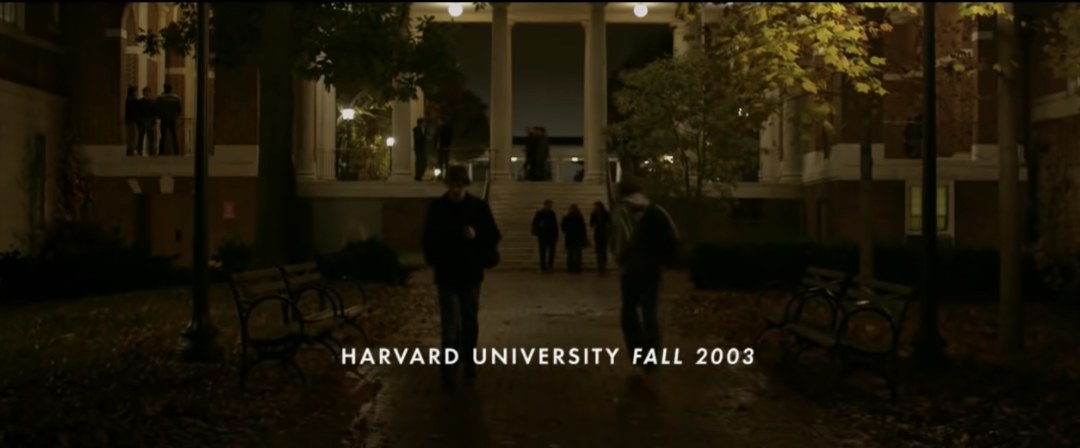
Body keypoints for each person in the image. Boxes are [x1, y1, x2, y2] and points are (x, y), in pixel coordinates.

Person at [421, 165, 502, 390]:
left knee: (469, 319)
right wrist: (435, 257)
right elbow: (428, 237)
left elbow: (493, 235)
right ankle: (449, 367)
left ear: (465, 185)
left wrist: (476, 236)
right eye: (452, 185)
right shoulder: (438, 207)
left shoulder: (478, 207)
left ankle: (468, 361)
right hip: (447, 272)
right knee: (449, 323)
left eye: (459, 185)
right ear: (448, 185)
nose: (456, 189)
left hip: (470, 272)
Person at [610, 178, 680, 373]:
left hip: (631, 268)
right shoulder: (655, 210)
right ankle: (653, 355)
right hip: (652, 267)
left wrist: (621, 259)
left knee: (629, 310)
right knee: (650, 310)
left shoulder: (621, 210)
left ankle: (637, 352)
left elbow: (619, 239)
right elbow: (673, 237)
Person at [531, 199, 558, 272]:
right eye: (549, 205)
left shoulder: (552, 213)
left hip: (551, 236)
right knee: (542, 252)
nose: (550, 207)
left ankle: (550, 266)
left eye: (551, 206)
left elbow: (555, 225)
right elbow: (535, 223)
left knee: (551, 252)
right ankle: (543, 267)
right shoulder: (540, 213)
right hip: (542, 235)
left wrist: (556, 235)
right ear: (545, 205)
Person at [156, 84, 183, 155]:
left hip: (164, 119)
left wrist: (159, 116)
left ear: (164, 88)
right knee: (174, 135)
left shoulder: (160, 98)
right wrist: (176, 115)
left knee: (163, 136)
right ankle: (176, 152)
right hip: (173, 119)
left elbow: (157, 108)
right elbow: (179, 109)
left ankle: (161, 152)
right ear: (171, 88)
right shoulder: (177, 98)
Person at [561, 204, 588, 274]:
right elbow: (583, 229)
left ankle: (571, 268)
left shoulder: (568, 217)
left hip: (571, 237)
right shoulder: (579, 217)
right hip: (576, 238)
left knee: (571, 254)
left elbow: (563, 228)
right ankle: (576, 268)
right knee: (576, 254)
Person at [590, 201, 612, 273]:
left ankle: (603, 265)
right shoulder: (594, 214)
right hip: (598, 234)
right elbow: (591, 224)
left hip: (604, 233)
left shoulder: (605, 213)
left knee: (603, 251)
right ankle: (600, 266)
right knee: (599, 251)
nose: (596, 207)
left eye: (597, 206)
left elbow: (609, 222)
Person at [136, 87, 158, 156]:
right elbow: (138, 112)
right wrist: (139, 121)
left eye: (148, 92)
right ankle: (140, 150)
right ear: (143, 93)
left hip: (150, 121)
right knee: (141, 137)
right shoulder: (140, 102)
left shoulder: (152, 102)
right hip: (142, 121)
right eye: (146, 92)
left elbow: (154, 112)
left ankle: (151, 151)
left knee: (151, 137)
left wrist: (154, 121)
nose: (147, 94)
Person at [124, 86, 139, 156]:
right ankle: (131, 150)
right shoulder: (132, 100)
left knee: (130, 135)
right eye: (135, 91)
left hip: (129, 120)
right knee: (132, 136)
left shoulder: (128, 99)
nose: (136, 92)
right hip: (132, 120)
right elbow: (134, 110)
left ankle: (130, 149)